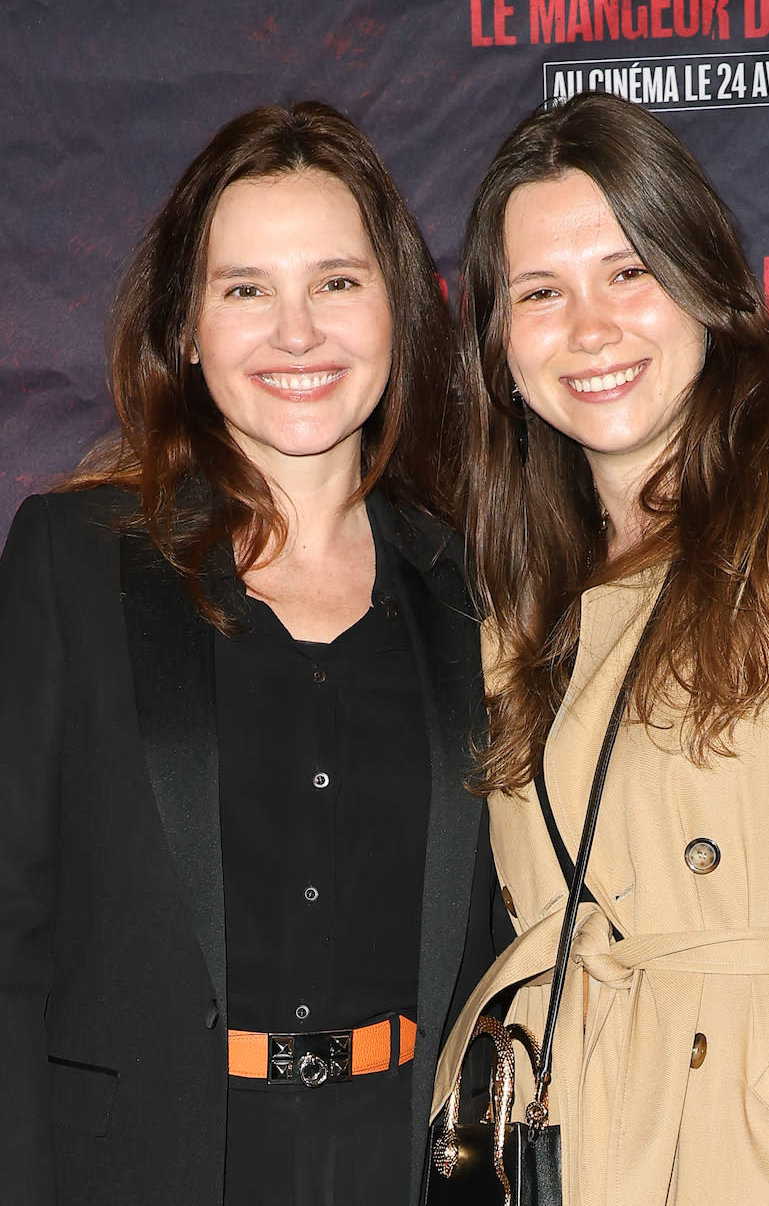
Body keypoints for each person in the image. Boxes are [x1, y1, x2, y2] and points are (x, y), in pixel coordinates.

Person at [0, 101, 506, 1206]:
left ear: (398, 310)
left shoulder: (477, 588)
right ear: (185, 328)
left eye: (336, 281)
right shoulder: (70, 562)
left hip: (406, 1161)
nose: (297, 333)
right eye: (245, 290)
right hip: (140, 1167)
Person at [432, 91, 769, 1206]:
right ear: (498, 349)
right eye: (541, 293)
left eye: (627, 271)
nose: (590, 329)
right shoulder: (514, 603)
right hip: (577, 1150)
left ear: (705, 285)